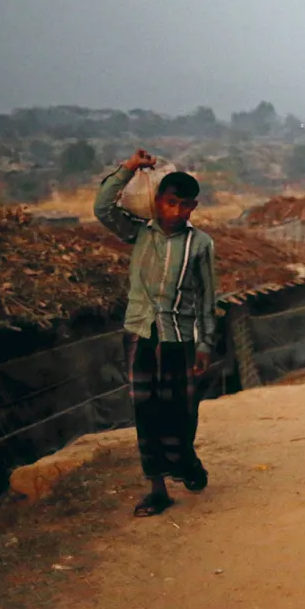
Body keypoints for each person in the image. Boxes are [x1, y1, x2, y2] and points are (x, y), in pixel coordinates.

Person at [93, 149, 217, 518]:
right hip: (140, 334)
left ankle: (187, 464)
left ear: (193, 207)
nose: (177, 212)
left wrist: (205, 344)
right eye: (170, 202)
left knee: (180, 410)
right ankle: (158, 488)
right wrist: (129, 168)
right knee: (146, 412)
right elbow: (103, 209)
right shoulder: (139, 232)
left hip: (178, 339)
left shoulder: (201, 245)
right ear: (158, 201)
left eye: (185, 205)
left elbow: (209, 298)